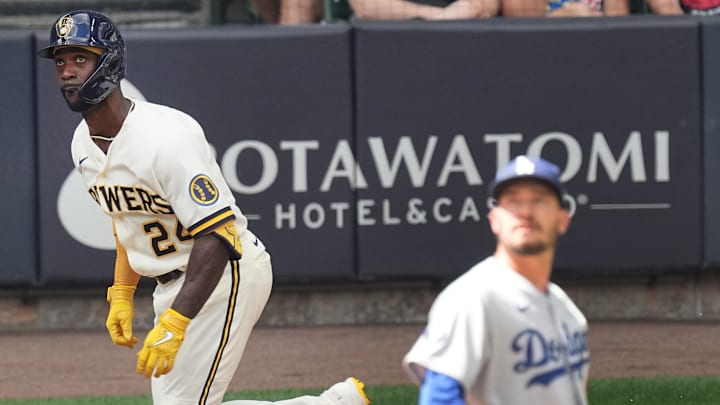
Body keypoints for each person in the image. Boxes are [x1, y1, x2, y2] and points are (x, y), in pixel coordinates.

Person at [38, 10, 370, 405]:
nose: (67, 71)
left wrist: (177, 321)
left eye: (81, 58)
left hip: (223, 273)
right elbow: (126, 221)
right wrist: (123, 292)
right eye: (61, 60)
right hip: (174, 282)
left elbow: (217, 233)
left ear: (109, 61)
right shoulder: (82, 143)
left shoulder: (166, 136)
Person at [403, 155, 590, 405]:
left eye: (539, 200)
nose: (525, 211)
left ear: (563, 219)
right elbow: (439, 398)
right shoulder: (473, 297)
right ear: (494, 220)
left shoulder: (567, 311)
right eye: (513, 201)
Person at [348, 0, 500, 20]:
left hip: (463, 37)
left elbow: (487, 4)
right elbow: (365, 6)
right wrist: (441, 17)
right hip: (391, 40)